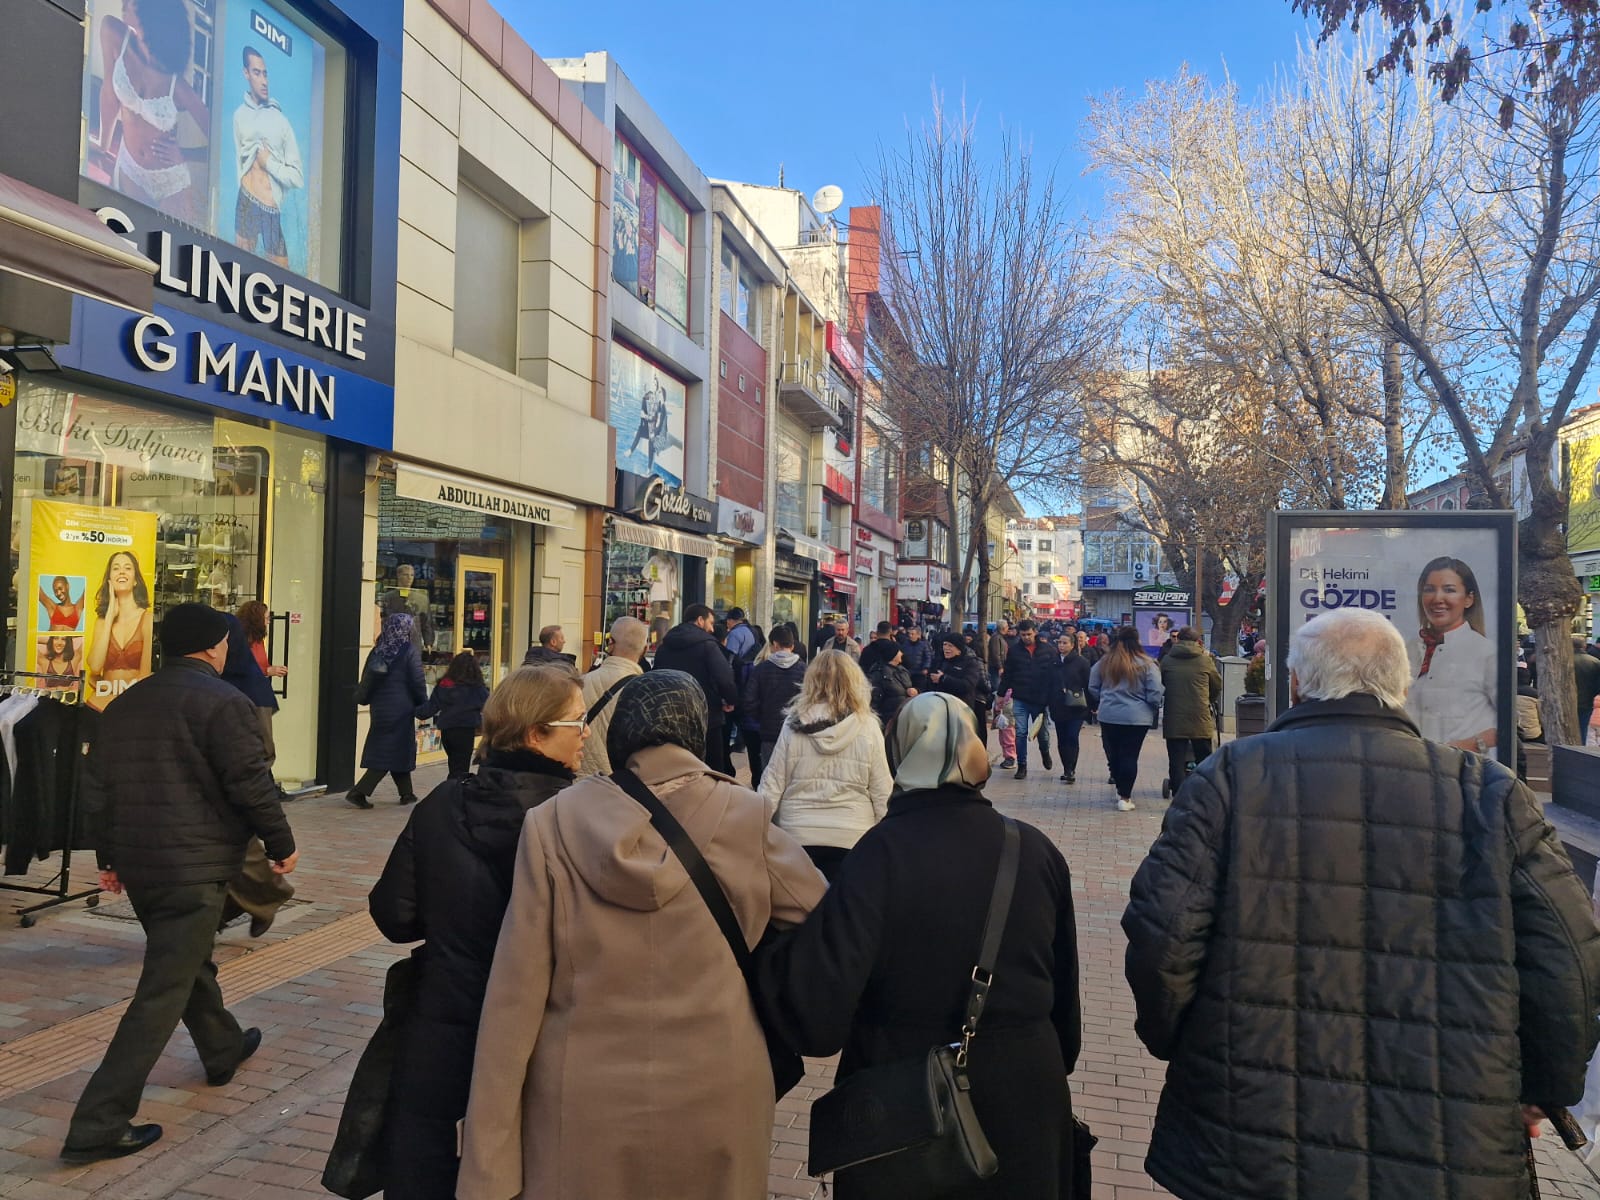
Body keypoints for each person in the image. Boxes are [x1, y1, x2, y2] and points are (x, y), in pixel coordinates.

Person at [1121, 608, 1600, 1200]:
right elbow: (1569, 960)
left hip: (1250, 1123)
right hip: (1450, 1128)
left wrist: (1181, 1043)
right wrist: (1543, 1086)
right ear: (1401, 686)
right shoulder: (1489, 792)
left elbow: (1161, 932)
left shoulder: (1233, 777)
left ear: (1296, 683)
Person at [455, 671, 827, 1199]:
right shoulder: (746, 816)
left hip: (581, 1089)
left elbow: (515, 995)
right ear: (698, 730)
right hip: (719, 1081)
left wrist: (487, 1163)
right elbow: (823, 917)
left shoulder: (554, 822)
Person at [756, 691, 1082, 1199]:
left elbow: (819, 1015)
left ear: (900, 753)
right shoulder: (1034, 850)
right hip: (1024, 1089)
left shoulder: (879, 855)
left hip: (902, 1094)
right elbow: (1065, 1002)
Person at [64, 604, 295, 1164]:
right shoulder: (226, 702)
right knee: (162, 988)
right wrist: (280, 842)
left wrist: (111, 857)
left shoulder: (125, 703)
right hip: (194, 867)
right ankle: (98, 1122)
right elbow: (249, 782)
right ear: (216, 646)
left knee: (184, 962)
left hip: (145, 867)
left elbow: (99, 790)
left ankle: (222, 1046)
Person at [366, 665, 585, 1200]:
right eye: (577, 723)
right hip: (545, 1031)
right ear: (537, 733)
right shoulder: (578, 819)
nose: (586, 735)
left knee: (430, 1163)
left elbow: (395, 915)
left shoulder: (444, 801)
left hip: (444, 1015)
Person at [760, 650, 893, 881]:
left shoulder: (794, 724)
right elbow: (882, 791)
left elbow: (772, 783)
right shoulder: (868, 726)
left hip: (797, 836)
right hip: (853, 836)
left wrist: (756, 829)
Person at [91, 0, 210, 223]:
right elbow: (109, 92)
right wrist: (103, 144)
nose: (125, 3)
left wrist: (185, 154)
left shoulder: (178, 85)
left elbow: (220, 144)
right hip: (128, 166)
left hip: (170, 181)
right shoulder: (113, 31)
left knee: (162, 254)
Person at [1408, 556, 1497, 752]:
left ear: (1468, 599)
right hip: (1411, 771)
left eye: (1449, 590)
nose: (1438, 598)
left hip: (1464, 774)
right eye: (1429, 589)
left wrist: (1466, 746)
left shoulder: (1486, 653)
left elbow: (1509, 721)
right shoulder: (1406, 651)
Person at [232, 45, 303, 268]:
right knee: (238, 272)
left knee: (284, 279)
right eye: (256, 73)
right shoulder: (239, 116)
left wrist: (268, 162)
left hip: (270, 208)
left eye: (265, 73)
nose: (263, 80)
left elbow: (297, 177)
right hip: (245, 200)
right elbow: (239, 161)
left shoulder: (280, 121)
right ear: (246, 73)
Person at [347, 613, 427, 808]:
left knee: (395, 749)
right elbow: (417, 681)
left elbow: (366, 679)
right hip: (401, 709)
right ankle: (359, 792)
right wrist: (423, 703)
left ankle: (406, 793)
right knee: (390, 751)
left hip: (380, 708)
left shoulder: (378, 651)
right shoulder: (409, 651)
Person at [652, 604, 738, 771]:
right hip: (707, 716)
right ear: (700, 620)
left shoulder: (665, 646)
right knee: (711, 769)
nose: (713, 629)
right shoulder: (708, 645)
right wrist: (731, 699)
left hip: (672, 717)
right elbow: (724, 677)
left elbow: (657, 677)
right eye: (711, 623)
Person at [1088, 625, 1164, 812]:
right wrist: (1151, 706)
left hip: (1109, 714)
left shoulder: (1106, 661)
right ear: (1138, 641)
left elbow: (1092, 686)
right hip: (1137, 717)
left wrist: (1105, 698)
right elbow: (1155, 691)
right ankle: (1125, 796)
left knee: (1114, 753)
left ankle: (1118, 783)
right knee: (1130, 755)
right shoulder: (1147, 663)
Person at [575, 616, 647, 777]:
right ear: (645, 649)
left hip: (578, 783)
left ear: (610, 643)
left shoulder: (580, 684)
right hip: (619, 787)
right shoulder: (645, 692)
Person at [1159, 626, 1221, 797]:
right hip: (1200, 715)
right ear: (1197, 641)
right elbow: (1217, 684)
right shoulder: (1205, 661)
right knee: (1205, 757)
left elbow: (1161, 683)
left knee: (1176, 759)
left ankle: (1179, 795)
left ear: (1178, 639)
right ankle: (1203, 792)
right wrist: (1208, 699)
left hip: (1174, 716)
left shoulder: (1167, 660)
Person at [87, 550, 153, 709]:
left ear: (136, 580)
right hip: (97, 707)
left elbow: (145, 676)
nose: (122, 571)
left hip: (132, 707)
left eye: (128, 568)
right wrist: (109, 617)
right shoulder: (102, 621)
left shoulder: (148, 620)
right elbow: (95, 667)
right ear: (109, 579)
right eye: (116, 568)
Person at [742, 625, 806, 788]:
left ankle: (769, 812)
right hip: (796, 731)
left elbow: (749, 700)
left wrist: (762, 716)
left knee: (770, 778)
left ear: (774, 645)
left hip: (769, 732)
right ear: (792, 646)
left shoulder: (761, 669)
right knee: (793, 779)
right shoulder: (804, 669)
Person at [416, 651, 491, 779]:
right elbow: (489, 706)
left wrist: (413, 710)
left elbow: (429, 709)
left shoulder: (445, 685)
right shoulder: (476, 687)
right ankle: (455, 793)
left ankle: (453, 790)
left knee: (454, 765)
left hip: (447, 731)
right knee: (461, 769)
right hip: (464, 731)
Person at [1003, 619, 1059, 781]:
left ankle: (1045, 752)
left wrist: (1051, 696)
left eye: (1029, 634)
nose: (1026, 637)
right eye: (1023, 635)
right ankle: (1022, 765)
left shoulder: (1048, 650)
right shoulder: (1014, 651)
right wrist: (1001, 694)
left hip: (1040, 700)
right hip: (1020, 697)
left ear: (1035, 632)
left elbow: (1053, 675)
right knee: (1020, 733)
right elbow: (1008, 673)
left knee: (1042, 734)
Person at [930, 631, 993, 744]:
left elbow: (967, 685)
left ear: (959, 650)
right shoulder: (940, 661)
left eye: (950, 646)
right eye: (945, 645)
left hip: (961, 710)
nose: (946, 648)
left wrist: (944, 679)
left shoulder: (971, 662)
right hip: (941, 709)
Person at [1050, 631, 1092, 784]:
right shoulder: (1053, 662)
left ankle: (1071, 769)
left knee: (1072, 737)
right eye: (1059, 642)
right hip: (1058, 706)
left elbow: (1088, 685)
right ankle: (1066, 767)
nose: (1061, 645)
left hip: (1076, 707)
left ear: (1072, 645)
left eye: (1065, 643)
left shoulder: (1082, 662)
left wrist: (1092, 706)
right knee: (1062, 739)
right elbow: (1047, 683)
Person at [867, 643, 917, 727]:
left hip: (905, 716)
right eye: (899, 651)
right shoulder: (878, 673)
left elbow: (913, 685)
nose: (901, 652)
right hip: (888, 721)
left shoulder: (902, 670)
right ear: (893, 654)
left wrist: (916, 690)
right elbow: (875, 701)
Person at [1575, 636, 1600, 746]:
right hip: (1588, 700)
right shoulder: (1594, 662)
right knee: (1584, 728)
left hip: (1567, 701)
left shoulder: (1563, 661)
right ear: (1584, 646)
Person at [898, 623, 932, 692]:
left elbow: (928, 657)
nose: (910, 636)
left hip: (920, 673)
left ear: (918, 635)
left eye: (912, 634)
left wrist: (926, 667)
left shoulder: (923, 645)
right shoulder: (904, 645)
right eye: (909, 634)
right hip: (907, 673)